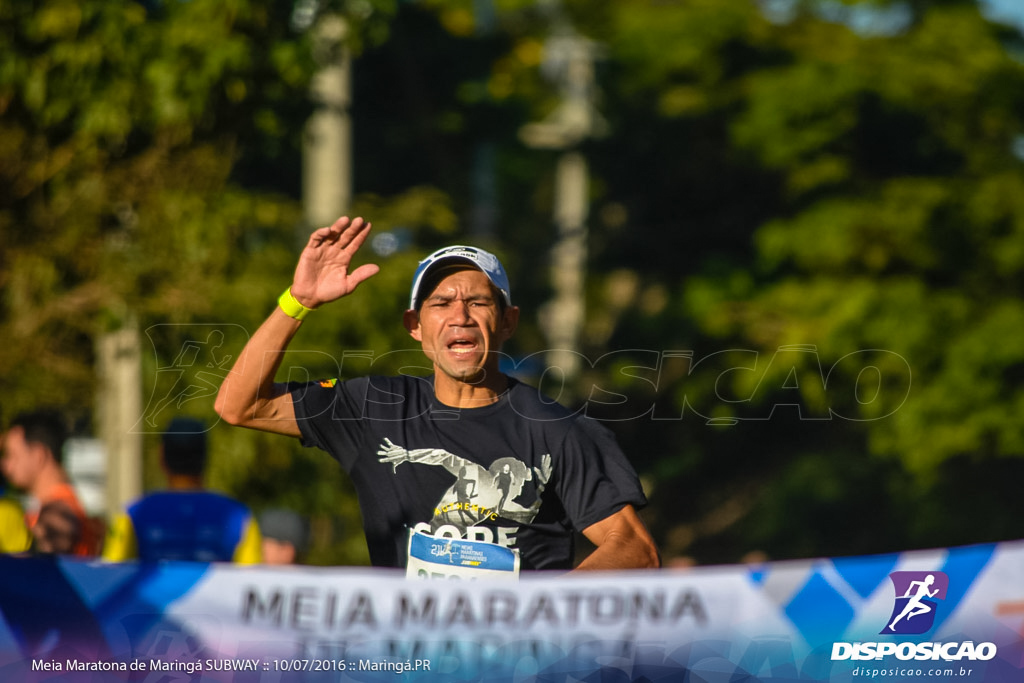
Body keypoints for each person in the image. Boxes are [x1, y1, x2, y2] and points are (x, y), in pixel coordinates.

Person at [215, 216, 660, 572]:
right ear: (416, 327)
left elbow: (635, 549)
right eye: (441, 303)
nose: (460, 316)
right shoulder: (373, 408)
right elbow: (239, 406)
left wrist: (535, 614)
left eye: (479, 302)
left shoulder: (556, 430)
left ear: (508, 322)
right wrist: (298, 301)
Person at [102, 417, 262, 563]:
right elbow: (251, 583)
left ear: (162, 457)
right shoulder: (241, 518)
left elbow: (110, 574)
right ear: (206, 458)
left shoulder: (131, 515)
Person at [1, 410, 97, 556]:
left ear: (39, 455)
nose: (5, 465)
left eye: (12, 455)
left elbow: (42, 562)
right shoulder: (58, 505)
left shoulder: (58, 511)